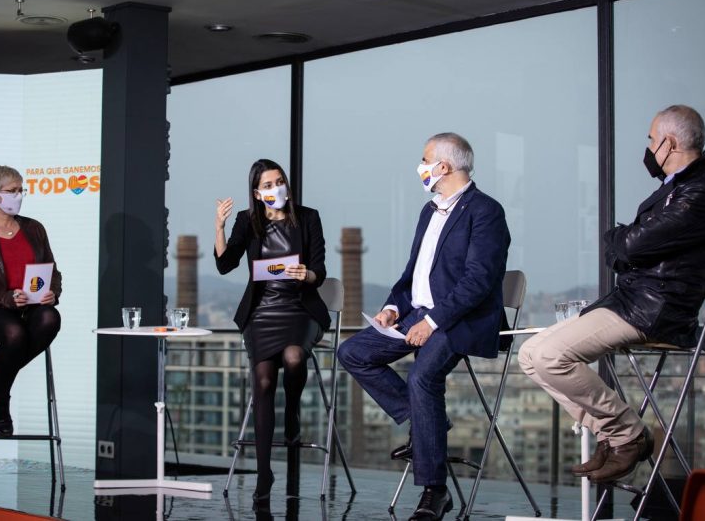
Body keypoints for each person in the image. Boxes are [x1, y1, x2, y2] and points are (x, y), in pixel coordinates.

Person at [520, 104, 705, 484]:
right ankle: (615, 434)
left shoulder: (698, 194)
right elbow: (630, 247)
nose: (647, 148)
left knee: (548, 355)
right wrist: (623, 242)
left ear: (668, 142)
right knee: (530, 355)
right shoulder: (678, 190)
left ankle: (628, 435)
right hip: (633, 301)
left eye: (650, 139)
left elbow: (626, 248)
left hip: (654, 310)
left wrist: (620, 240)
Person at [337, 133, 510, 521]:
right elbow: (412, 276)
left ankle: (434, 490)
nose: (421, 167)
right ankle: (426, 420)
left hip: (459, 319)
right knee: (352, 353)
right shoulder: (428, 211)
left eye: (425, 159)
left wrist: (432, 321)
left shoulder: (486, 211)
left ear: (444, 167)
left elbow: (479, 280)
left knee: (422, 379)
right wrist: (391, 309)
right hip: (418, 314)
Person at [214, 158, 330, 503]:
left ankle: (292, 410)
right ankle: (264, 473)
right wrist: (219, 226)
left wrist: (306, 275)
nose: (275, 188)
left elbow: (320, 270)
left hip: (299, 308)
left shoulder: (308, 218)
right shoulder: (247, 222)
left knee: (294, 357)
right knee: (263, 380)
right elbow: (225, 264)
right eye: (267, 185)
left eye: (279, 181)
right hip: (262, 312)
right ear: (256, 192)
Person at [0, 165, 62, 436]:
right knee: (14, 333)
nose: (18, 196)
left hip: (31, 306)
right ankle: (2, 403)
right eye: (12, 191)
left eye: (21, 190)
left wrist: (53, 291)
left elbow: (53, 270)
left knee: (51, 317)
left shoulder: (34, 228)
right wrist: (6, 298)